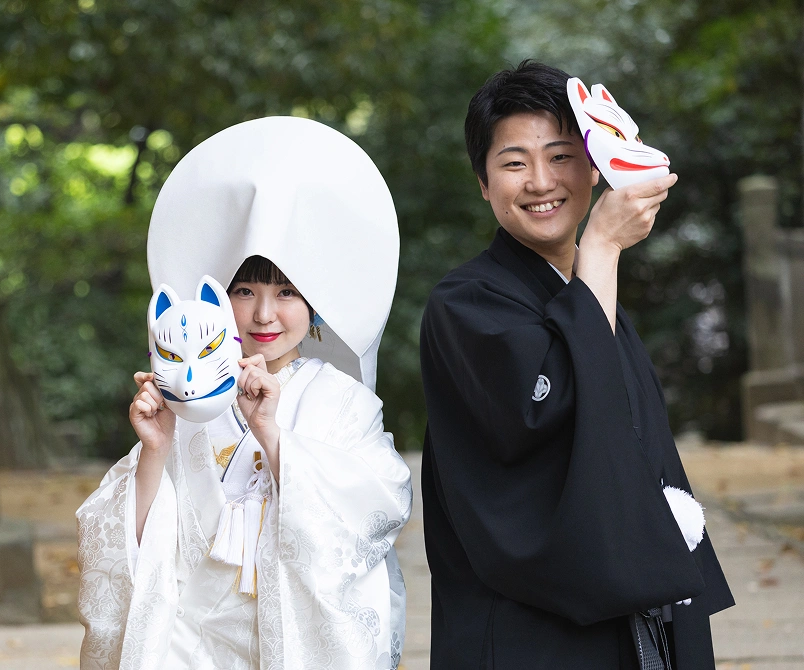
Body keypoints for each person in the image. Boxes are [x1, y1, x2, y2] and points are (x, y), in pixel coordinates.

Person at [419, 60, 734, 669]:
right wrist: (603, 246)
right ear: (483, 183)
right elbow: (546, 409)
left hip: (623, 617)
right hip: (526, 631)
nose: (541, 181)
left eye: (561, 156)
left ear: (595, 167)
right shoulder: (465, 303)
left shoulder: (587, 291)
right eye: (514, 163)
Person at [77, 117, 411, 670]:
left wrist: (273, 437)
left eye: (287, 293)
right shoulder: (187, 398)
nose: (263, 314)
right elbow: (124, 543)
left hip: (290, 642)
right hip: (190, 645)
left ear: (315, 303)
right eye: (244, 291)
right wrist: (156, 449)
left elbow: (379, 508)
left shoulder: (345, 404)